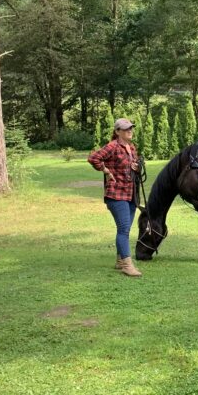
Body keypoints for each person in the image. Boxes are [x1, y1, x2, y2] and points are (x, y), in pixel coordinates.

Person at [88, 118, 143, 277]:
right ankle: (127, 265)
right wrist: (105, 170)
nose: (130, 131)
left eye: (131, 128)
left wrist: (137, 167)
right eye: (126, 129)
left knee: (124, 229)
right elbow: (94, 158)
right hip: (116, 194)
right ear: (118, 131)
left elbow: (134, 167)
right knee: (124, 229)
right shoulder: (112, 146)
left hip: (131, 194)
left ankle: (120, 261)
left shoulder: (131, 147)